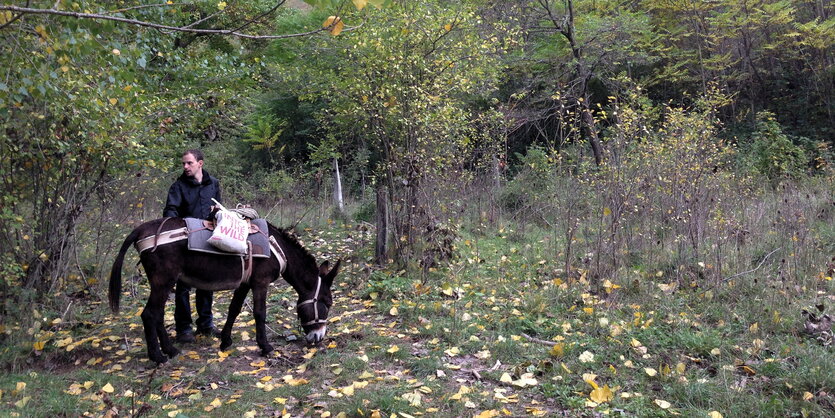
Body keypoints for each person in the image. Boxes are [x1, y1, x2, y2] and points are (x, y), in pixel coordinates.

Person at [163, 149, 222, 343]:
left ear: (200, 163)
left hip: (208, 239)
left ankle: (205, 326)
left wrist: (218, 214)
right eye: (183, 164)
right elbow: (170, 211)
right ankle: (184, 330)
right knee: (183, 286)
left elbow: (219, 208)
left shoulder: (213, 183)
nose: (185, 167)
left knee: (207, 284)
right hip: (185, 241)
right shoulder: (178, 186)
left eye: (189, 163)